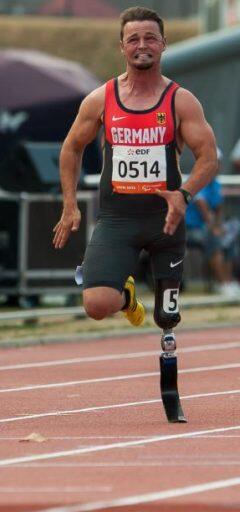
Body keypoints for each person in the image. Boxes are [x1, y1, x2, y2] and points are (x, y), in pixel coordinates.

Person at [53, 7, 217, 351]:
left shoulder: (181, 101)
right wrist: (70, 205)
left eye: (150, 38)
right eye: (134, 39)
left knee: (166, 318)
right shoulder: (101, 99)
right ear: (122, 47)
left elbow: (208, 158)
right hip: (117, 220)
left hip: (165, 221)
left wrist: (184, 194)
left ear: (163, 44)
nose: (142, 45)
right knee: (96, 305)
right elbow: (71, 148)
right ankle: (127, 296)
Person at [186, 149, 240, 296]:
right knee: (214, 239)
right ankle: (222, 283)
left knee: (228, 239)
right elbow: (204, 211)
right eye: (215, 162)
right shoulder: (197, 180)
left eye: (218, 163)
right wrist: (215, 229)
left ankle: (228, 282)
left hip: (206, 228)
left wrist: (220, 227)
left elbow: (218, 210)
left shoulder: (215, 184)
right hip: (190, 229)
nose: (218, 166)